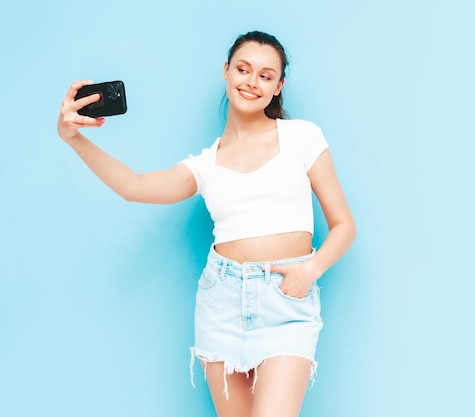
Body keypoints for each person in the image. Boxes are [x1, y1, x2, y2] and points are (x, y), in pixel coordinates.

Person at [56, 31, 356, 417]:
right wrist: (73, 139)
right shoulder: (205, 163)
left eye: (266, 76)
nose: (252, 81)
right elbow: (134, 186)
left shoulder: (302, 137)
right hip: (222, 304)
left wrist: (310, 270)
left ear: (278, 86)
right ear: (226, 71)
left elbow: (344, 223)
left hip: (285, 303)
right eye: (243, 69)